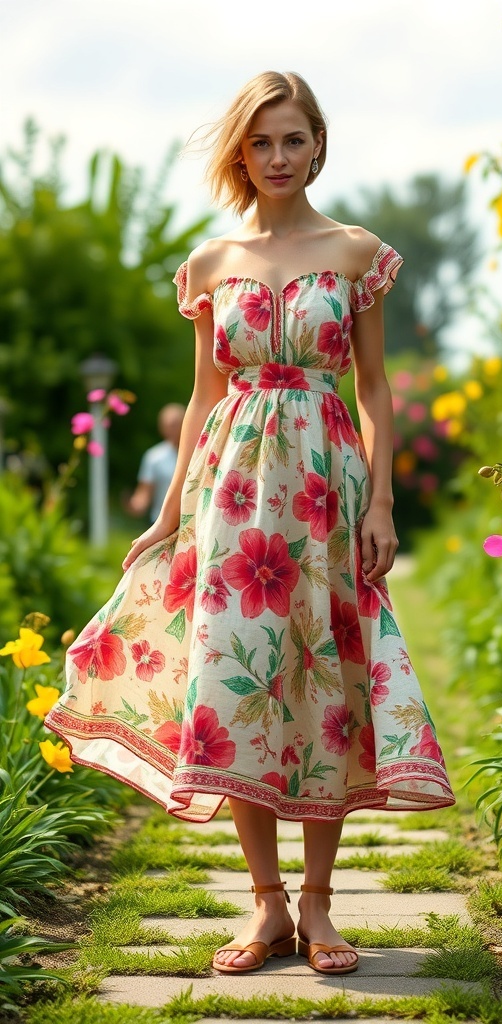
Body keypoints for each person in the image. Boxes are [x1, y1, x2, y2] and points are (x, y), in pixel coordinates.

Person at [46, 70, 455, 978]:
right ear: (242, 150)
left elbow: (376, 387)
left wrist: (380, 499)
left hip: (322, 488)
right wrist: (166, 511)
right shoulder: (207, 265)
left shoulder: (355, 253)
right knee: (237, 690)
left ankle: (319, 906)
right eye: (262, 140)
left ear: (319, 146)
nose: (278, 156)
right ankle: (266, 909)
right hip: (233, 499)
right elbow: (201, 398)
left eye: (294, 139)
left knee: (324, 685)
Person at [125, 404, 186, 523]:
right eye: (167, 426)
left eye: (175, 425)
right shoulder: (154, 456)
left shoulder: (199, 453)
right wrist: (135, 505)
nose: (171, 430)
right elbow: (145, 492)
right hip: (160, 522)